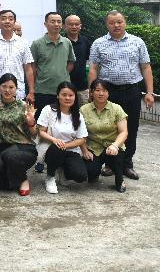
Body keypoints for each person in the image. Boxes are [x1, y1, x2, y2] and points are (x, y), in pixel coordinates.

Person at [87, 10, 155, 180]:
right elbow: (93, 68)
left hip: (131, 90)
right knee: (109, 128)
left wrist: (149, 92)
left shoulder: (137, 42)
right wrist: (92, 91)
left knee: (131, 127)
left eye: (119, 22)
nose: (116, 25)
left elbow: (146, 67)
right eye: (112, 22)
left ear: (125, 22)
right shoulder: (98, 43)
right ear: (106, 24)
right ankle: (110, 164)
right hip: (107, 91)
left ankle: (127, 164)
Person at [0, 73, 38, 195]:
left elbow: (34, 135)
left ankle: (23, 179)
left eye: (11, 87)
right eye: (4, 86)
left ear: (16, 89)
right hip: (3, 146)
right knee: (3, 183)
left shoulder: (24, 106)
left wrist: (31, 123)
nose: (7, 90)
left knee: (10, 156)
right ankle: (12, 177)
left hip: (24, 147)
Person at [37, 82, 88, 194]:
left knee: (81, 176)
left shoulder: (78, 115)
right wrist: (54, 140)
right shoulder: (49, 110)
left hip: (70, 149)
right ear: (58, 95)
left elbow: (82, 139)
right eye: (64, 95)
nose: (67, 98)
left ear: (75, 96)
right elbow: (41, 132)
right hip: (51, 148)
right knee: (57, 149)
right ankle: (50, 177)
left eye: (70, 95)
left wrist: (65, 145)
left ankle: (62, 170)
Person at [80, 79, 129, 193]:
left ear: (108, 93)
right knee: (90, 172)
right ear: (91, 92)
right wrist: (84, 150)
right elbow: (79, 133)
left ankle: (120, 179)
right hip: (93, 147)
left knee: (116, 159)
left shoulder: (116, 108)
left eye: (104, 90)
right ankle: (94, 173)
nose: (101, 93)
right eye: (97, 90)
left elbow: (124, 132)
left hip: (112, 146)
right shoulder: (84, 110)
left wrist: (115, 145)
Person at [0, 9, 34, 104]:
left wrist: (31, 91)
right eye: (3, 18)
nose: (7, 21)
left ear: (14, 22)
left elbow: (28, 69)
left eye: (10, 19)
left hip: (18, 93)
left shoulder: (23, 43)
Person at [30, 12, 76, 120]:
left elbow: (70, 63)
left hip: (63, 90)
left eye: (59, 22)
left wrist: (62, 73)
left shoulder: (67, 42)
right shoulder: (37, 44)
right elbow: (32, 67)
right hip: (42, 90)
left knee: (62, 120)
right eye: (53, 21)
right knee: (42, 121)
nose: (56, 24)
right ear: (45, 24)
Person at [65, 15, 91, 105]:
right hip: (65, 86)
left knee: (84, 112)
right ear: (65, 26)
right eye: (71, 24)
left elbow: (91, 62)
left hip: (83, 87)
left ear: (80, 26)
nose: (74, 27)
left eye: (76, 24)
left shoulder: (85, 41)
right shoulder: (61, 42)